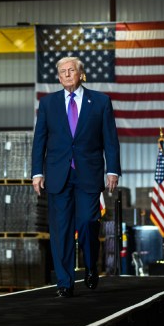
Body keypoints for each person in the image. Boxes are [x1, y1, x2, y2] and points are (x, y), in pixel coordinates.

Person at [32, 55, 121, 297]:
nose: (66, 74)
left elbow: (110, 140)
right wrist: (37, 172)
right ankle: (65, 282)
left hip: (89, 175)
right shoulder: (48, 104)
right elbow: (39, 140)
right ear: (58, 77)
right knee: (60, 230)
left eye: (71, 70)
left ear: (81, 73)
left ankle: (91, 266)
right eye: (62, 71)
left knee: (88, 223)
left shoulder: (100, 102)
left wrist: (112, 169)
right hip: (58, 175)